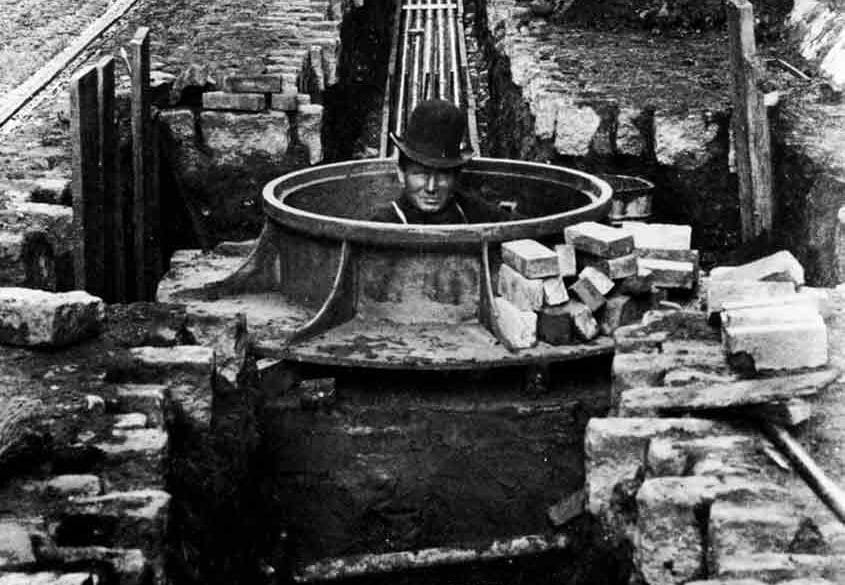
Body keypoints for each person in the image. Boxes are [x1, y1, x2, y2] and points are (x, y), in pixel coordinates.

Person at [370, 99, 517, 224]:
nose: (431, 188)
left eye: (443, 174)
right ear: (401, 173)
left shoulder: (469, 209)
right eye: (421, 174)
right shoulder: (382, 224)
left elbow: (521, 228)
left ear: (456, 177)